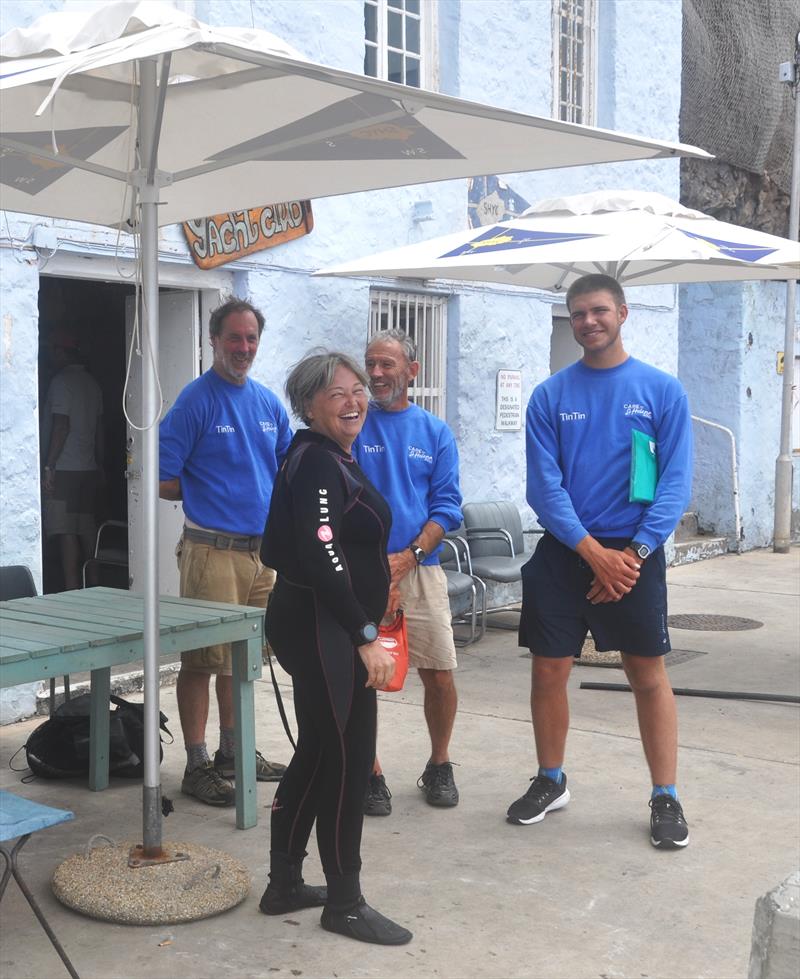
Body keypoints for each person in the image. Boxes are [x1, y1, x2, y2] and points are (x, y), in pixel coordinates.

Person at [509, 273, 693, 849]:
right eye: (580, 314)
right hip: (567, 554)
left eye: (599, 311)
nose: (589, 322)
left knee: (646, 676)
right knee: (548, 669)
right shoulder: (550, 396)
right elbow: (546, 488)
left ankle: (665, 795)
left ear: (623, 313)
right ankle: (551, 779)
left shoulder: (662, 392)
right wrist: (593, 555)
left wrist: (632, 556)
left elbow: (675, 484)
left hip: (635, 554)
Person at [260, 350, 411, 946]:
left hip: (323, 622)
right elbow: (324, 558)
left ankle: (285, 885)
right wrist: (363, 633)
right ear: (309, 406)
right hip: (323, 626)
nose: (354, 401)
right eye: (336, 394)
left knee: (321, 752)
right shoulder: (317, 462)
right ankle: (345, 903)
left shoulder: (328, 457)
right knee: (348, 759)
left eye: (357, 390)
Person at [159, 298, 291, 807]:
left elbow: (285, 469)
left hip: (263, 557)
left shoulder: (267, 403)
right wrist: (212, 494)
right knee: (200, 661)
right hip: (211, 552)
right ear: (213, 340)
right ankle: (195, 765)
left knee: (243, 660)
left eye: (251, 338)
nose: (243, 347)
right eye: (234, 337)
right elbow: (165, 479)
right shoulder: (195, 401)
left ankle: (234, 753)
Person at [354, 330, 463, 815]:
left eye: (386, 365)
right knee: (363, 676)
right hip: (360, 573)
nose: (376, 374)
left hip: (421, 570)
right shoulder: (353, 426)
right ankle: (369, 771)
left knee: (438, 673)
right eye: (370, 365)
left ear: (412, 371)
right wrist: (377, 565)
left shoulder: (435, 432)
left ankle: (439, 764)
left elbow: (446, 507)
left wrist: (410, 557)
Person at [41, 327, 104, 591]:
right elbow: (100, 430)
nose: (51, 355)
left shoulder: (60, 382)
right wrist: (101, 466)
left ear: (61, 352)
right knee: (87, 529)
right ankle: (96, 585)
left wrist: (49, 465)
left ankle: (70, 589)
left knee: (66, 531)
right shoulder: (92, 383)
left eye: (54, 349)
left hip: (66, 468)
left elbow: (61, 426)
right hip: (88, 468)